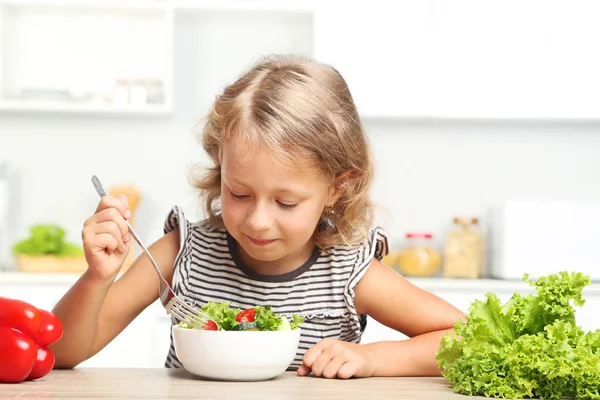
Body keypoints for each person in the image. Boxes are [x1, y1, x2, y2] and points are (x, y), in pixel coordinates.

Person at [50, 54, 463, 379]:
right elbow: (62, 353)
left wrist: (373, 358)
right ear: (220, 167)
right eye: (240, 193)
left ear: (336, 188)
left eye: (286, 203)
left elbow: (464, 340)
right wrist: (98, 277)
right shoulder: (182, 255)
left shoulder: (347, 273)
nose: (258, 220)